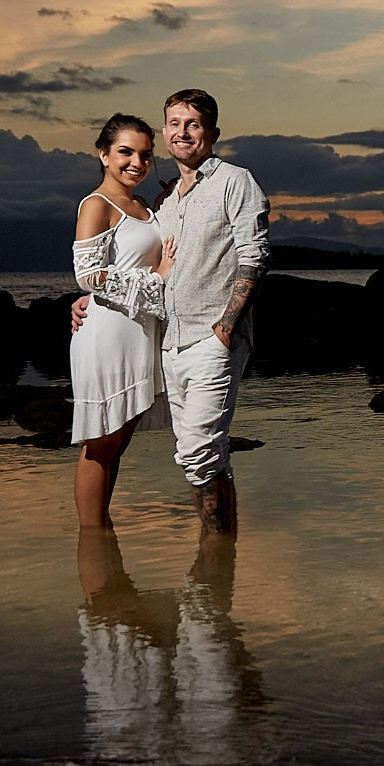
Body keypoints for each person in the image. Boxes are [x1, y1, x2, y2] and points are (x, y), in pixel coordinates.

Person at [76, 88, 269, 535]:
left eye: (194, 124)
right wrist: (89, 295)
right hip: (167, 342)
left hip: (211, 338)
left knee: (198, 449)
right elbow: (118, 265)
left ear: (212, 133)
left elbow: (253, 258)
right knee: (196, 453)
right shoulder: (165, 202)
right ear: (166, 132)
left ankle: (217, 559)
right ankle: (217, 556)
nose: (183, 133)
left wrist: (226, 329)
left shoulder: (235, 181)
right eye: (175, 124)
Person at [70, 113, 175, 527]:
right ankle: (92, 543)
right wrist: (158, 278)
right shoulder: (97, 204)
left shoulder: (144, 205)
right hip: (108, 335)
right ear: (104, 154)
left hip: (139, 334)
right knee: (100, 442)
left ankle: (104, 542)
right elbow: (89, 274)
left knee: (117, 442)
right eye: (125, 152)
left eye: (145, 155)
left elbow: (120, 263)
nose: (136, 162)